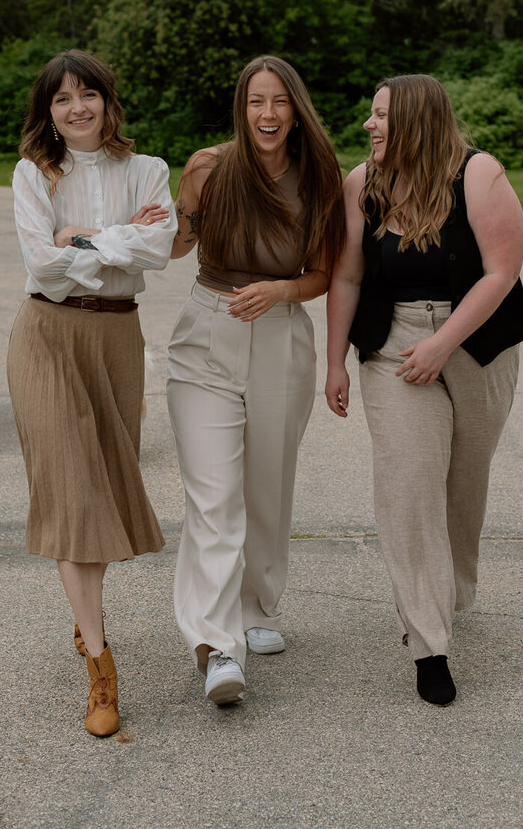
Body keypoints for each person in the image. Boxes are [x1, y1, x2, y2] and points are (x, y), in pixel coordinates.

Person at [325, 74, 523, 706]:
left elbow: (502, 270)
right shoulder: (362, 184)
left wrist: (445, 344)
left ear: (417, 119)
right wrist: (334, 361)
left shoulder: (479, 175)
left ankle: (451, 595)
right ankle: (429, 642)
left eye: (382, 115)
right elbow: (347, 274)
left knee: (463, 484)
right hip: (394, 344)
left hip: (479, 344)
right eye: (370, 115)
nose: (369, 126)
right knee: (409, 482)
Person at [6, 50, 177, 736]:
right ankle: (101, 671)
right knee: (73, 494)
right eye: (61, 99)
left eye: (88, 95)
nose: (76, 108)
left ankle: (86, 623)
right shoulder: (31, 173)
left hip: (115, 341)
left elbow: (160, 249)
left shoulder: (149, 171)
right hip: (45, 337)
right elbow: (42, 264)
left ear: (109, 100)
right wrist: (118, 239)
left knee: (103, 489)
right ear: (47, 112)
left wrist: (78, 233)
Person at [167, 56, 344, 704]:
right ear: (241, 109)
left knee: (267, 482)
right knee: (213, 495)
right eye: (254, 103)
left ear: (296, 108)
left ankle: (258, 607)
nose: (267, 115)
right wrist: (175, 213)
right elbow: (177, 247)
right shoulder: (209, 166)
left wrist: (278, 290)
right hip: (206, 333)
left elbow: (322, 274)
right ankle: (217, 646)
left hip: (281, 331)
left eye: (279, 102)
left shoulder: (318, 178)